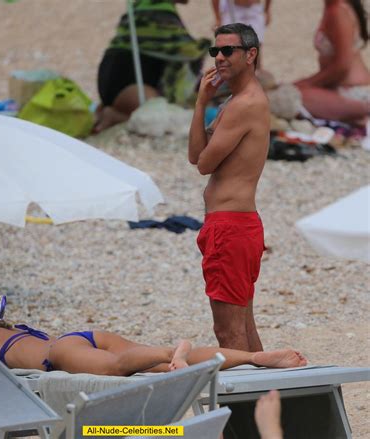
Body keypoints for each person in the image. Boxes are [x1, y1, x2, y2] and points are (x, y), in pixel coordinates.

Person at [0, 295, 307, 375]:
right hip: (81, 336)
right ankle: (253, 357)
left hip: (59, 356)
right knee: (150, 365)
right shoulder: (18, 329)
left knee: (115, 367)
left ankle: (170, 350)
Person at [188, 23, 270, 352]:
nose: (219, 58)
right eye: (215, 51)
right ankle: (272, 399)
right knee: (244, 328)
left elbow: (205, 164)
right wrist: (201, 102)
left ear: (250, 54)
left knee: (229, 333)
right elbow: (195, 156)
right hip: (235, 225)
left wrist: (205, 104)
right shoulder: (235, 101)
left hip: (230, 227)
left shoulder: (244, 104)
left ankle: (252, 403)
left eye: (228, 50)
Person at [94, 0, 210, 132]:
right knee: (163, 121)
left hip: (111, 78)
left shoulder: (141, 5)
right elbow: (187, 51)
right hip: (132, 85)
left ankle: (108, 110)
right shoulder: (160, 10)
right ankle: (115, 116)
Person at [294, 0, 369, 125]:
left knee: (293, 97)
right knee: (289, 93)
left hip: (353, 91)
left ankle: (361, 110)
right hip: (340, 87)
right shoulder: (334, 6)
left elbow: (342, 66)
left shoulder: (338, 10)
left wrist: (307, 83)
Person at [211, 0, 272, 69]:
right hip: (233, 9)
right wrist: (218, 19)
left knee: (255, 47)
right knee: (230, 47)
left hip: (254, 8)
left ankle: (255, 73)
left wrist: (267, 10)